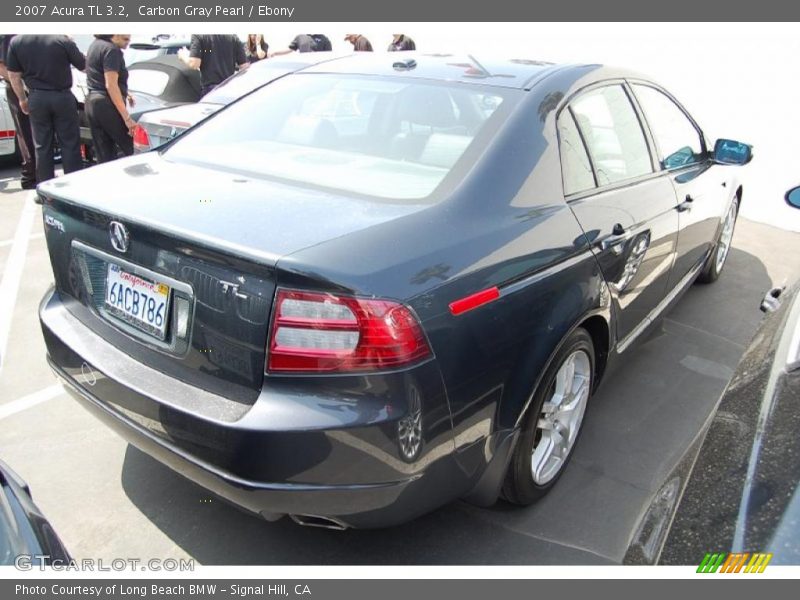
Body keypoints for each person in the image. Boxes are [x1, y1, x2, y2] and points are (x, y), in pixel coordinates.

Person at [4, 34, 85, 183]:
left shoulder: (17, 41)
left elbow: (13, 75)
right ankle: (75, 185)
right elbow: (84, 66)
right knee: (70, 143)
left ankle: (45, 189)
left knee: (42, 146)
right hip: (62, 96)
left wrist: (22, 99)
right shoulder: (61, 39)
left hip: (37, 97)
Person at [84, 35, 136, 163]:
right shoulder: (112, 50)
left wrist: (125, 92)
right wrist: (127, 118)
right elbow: (110, 84)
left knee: (104, 154)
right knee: (132, 148)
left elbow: (99, 75)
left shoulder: (95, 45)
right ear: (115, 34)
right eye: (125, 39)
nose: (128, 42)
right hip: (106, 104)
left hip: (92, 102)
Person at [0, 34, 36, 189]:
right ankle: (31, 173)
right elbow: (2, 66)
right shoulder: (8, 36)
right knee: (26, 132)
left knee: (32, 131)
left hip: (28, 86)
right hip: (18, 87)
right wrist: (21, 86)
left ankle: (36, 172)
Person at [178, 34, 248, 96]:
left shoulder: (199, 35)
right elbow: (245, 67)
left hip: (211, 92)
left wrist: (183, 55)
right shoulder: (233, 36)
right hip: (229, 90)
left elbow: (194, 64)